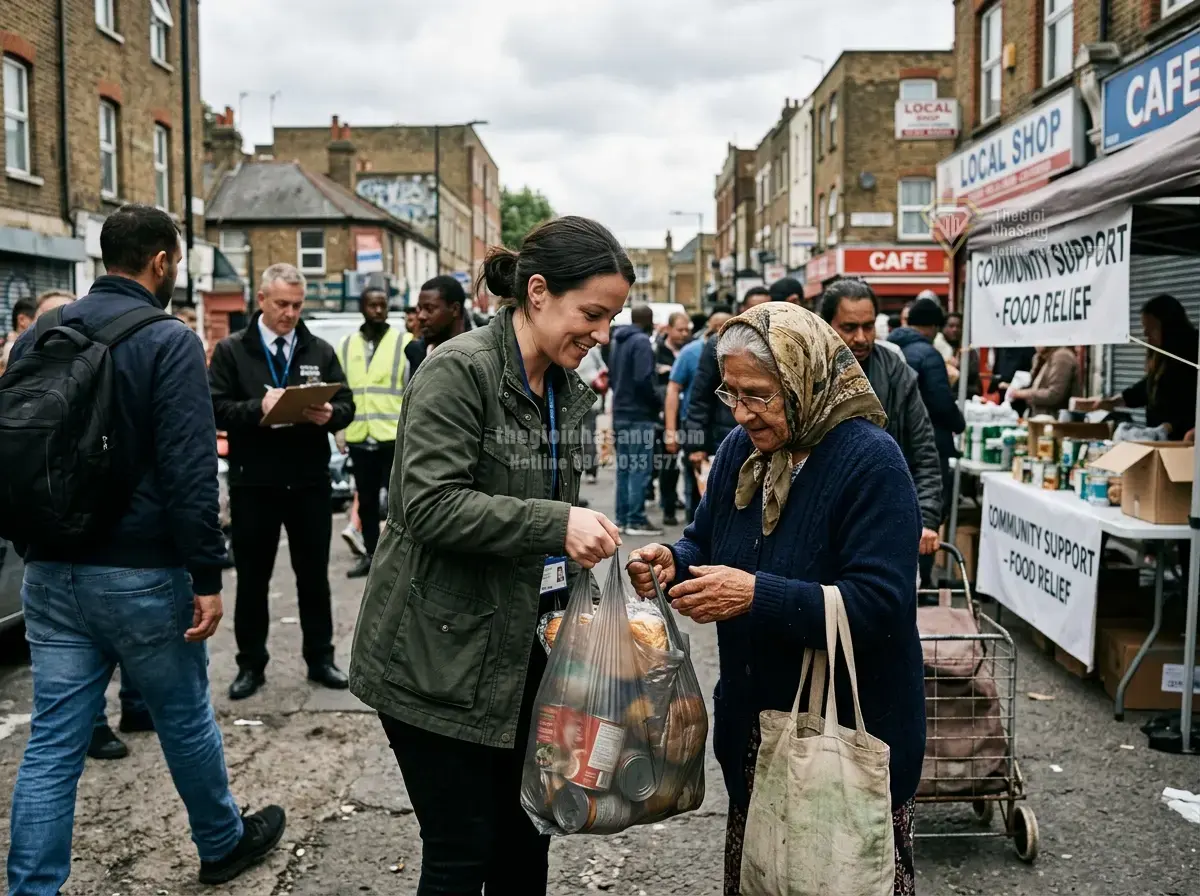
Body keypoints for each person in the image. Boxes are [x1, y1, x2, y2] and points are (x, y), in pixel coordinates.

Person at [348, 215, 630, 896]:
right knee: (461, 852)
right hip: (433, 658)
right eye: (590, 314)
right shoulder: (459, 371)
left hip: (522, 658)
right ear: (538, 292)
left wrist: (602, 560)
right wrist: (558, 523)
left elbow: (542, 533)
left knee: (525, 843)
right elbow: (426, 505)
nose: (599, 336)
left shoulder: (569, 393)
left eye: (610, 320)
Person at [6, 204, 285, 891]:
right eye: (178, 262)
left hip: (50, 567)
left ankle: (32, 887)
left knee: (52, 739)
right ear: (160, 262)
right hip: (137, 572)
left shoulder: (47, 329)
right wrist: (207, 573)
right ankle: (221, 844)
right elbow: (190, 467)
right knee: (185, 716)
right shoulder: (169, 339)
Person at [627, 302, 925, 896]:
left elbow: (879, 605)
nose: (741, 413)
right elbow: (706, 538)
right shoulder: (742, 448)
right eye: (731, 393)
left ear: (803, 378)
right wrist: (674, 561)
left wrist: (754, 595)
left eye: (759, 395)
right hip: (757, 734)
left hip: (838, 744)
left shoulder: (871, 462)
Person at [209, 262, 356, 701]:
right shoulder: (233, 351)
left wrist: (332, 415)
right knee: (252, 579)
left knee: (314, 578)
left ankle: (321, 659)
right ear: (261, 301)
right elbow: (215, 407)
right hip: (254, 483)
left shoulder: (318, 349)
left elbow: (346, 404)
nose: (290, 314)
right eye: (282, 305)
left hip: (308, 482)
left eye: (296, 305)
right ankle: (250, 665)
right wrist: (259, 407)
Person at [821, 279, 944, 562]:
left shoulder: (895, 372)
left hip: (888, 520)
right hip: (825, 526)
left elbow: (924, 450)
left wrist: (926, 518)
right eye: (849, 328)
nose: (862, 338)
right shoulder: (807, 374)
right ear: (826, 325)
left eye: (869, 326)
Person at [338, 285, 414, 579]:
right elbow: (342, 390)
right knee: (366, 502)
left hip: (393, 435)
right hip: (359, 435)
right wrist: (340, 431)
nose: (378, 310)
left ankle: (401, 559)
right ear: (362, 307)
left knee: (400, 501)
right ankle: (370, 555)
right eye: (373, 305)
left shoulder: (403, 343)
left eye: (383, 305)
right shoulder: (345, 346)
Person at [1078, 294, 1198, 439]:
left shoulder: (1192, 353)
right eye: (1144, 327)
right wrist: (1112, 402)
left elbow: (1188, 400)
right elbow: (1146, 389)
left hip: (1184, 442)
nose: (1145, 333)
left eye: (1151, 327)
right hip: (1159, 438)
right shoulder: (1162, 356)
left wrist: (1178, 427)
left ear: (1168, 326)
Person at [683, 287, 772, 480]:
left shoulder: (779, 345)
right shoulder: (720, 344)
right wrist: (697, 446)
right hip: (723, 438)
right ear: (743, 310)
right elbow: (700, 398)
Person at [888, 296, 966, 517]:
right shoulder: (929, 354)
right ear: (932, 326)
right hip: (928, 441)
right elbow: (940, 401)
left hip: (895, 441)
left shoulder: (889, 349)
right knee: (928, 510)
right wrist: (959, 423)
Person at [666, 307, 732, 523]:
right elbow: (681, 392)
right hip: (701, 428)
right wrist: (679, 434)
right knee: (697, 488)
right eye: (714, 329)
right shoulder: (693, 352)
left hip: (721, 430)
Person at [610, 303, 664, 535]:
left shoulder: (617, 341)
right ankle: (636, 519)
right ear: (649, 321)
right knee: (639, 467)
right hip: (638, 413)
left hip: (621, 410)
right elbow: (643, 379)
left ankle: (622, 518)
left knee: (624, 468)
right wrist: (657, 402)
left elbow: (615, 376)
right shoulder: (641, 342)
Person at [655, 312, 693, 525]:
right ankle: (668, 507)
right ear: (668, 329)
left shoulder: (691, 350)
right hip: (666, 415)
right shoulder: (657, 351)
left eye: (687, 329)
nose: (684, 333)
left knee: (686, 465)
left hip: (687, 415)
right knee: (668, 465)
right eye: (680, 329)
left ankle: (682, 502)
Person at [1008, 345, 1080, 418]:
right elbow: (1035, 386)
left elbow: (1054, 395)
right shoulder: (1042, 357)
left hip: (1055, 421)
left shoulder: (1062, 357)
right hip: (1041, 418)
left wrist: (1021, 394)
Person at [576, 343, 608, 487]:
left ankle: (578, 470)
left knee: (575, 437)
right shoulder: (592, 349)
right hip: (588, 398)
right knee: (588, 436)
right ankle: (590, 471)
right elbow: (603, 369)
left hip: (574, 399)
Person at [416, 274, 472, 354]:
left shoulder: (474, 354)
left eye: (429, 309)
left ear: (455, 309)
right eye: (420, 308)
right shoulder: (416, 353)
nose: (420, 316)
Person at [943, 311, 982, 398]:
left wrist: (958, 366)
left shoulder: (968, 350)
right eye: (951, 326)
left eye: (958, 326)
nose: (955, 329)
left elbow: (972, 373)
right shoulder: (939, 347)